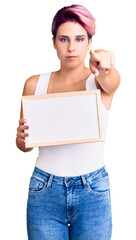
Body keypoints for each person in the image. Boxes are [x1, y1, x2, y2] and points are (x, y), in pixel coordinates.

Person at [16, 4, 120, 240]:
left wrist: (105, 62)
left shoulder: (100, 82)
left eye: (79, 39)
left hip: (92, 190)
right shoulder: (34, 85)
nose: (71, 47)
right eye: (63, 39)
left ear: (89, 43)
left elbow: (112, 79)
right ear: (53, 42)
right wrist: (21, 139)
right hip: (45, 190)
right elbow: (24, 145)